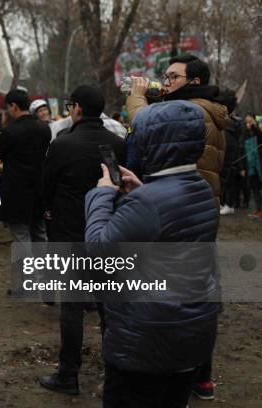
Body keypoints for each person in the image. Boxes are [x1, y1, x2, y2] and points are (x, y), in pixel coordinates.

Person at [85, 100, 220, 407]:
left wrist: (102, 193)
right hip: (189, 335)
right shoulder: (200, 187)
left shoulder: (148, 204)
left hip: (145, 343)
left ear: (154, 142)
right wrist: (144, 189)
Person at [40, 85, 126, 395]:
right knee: (109, 308)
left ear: (76, 108)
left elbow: (45, 187)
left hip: (71, 234)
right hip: (110, 233)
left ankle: (68, 374)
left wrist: (49, 212)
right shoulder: (119, 143)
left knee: (73, 308)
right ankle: (117, 371)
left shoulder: (63, 145)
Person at [126, 54, 228, 207]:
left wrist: (137, 96)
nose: (166, 83)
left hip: (182, 205)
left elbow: (142, 126)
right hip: (201, 203)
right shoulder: (207, 109)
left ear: (195, 82)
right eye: (165, 77)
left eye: (173, 77)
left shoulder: (187, 111)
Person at [0, 89, 51, 296]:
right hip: (40, 189)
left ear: (13, 106)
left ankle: (26, 284)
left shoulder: (9, 133)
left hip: (16, 191)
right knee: (40, 235)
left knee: (21, 238)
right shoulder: (44, 130)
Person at [241, 113, 262, 218]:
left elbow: (259, 137)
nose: (248, 124)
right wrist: (243, 168)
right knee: (255, 189)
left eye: (250, 122)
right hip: (251, 166)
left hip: (259, 165)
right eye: (247, 122)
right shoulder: (245, 134)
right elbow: (242, 151)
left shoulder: (258, 131)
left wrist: (254, 127)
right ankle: (258, 209)